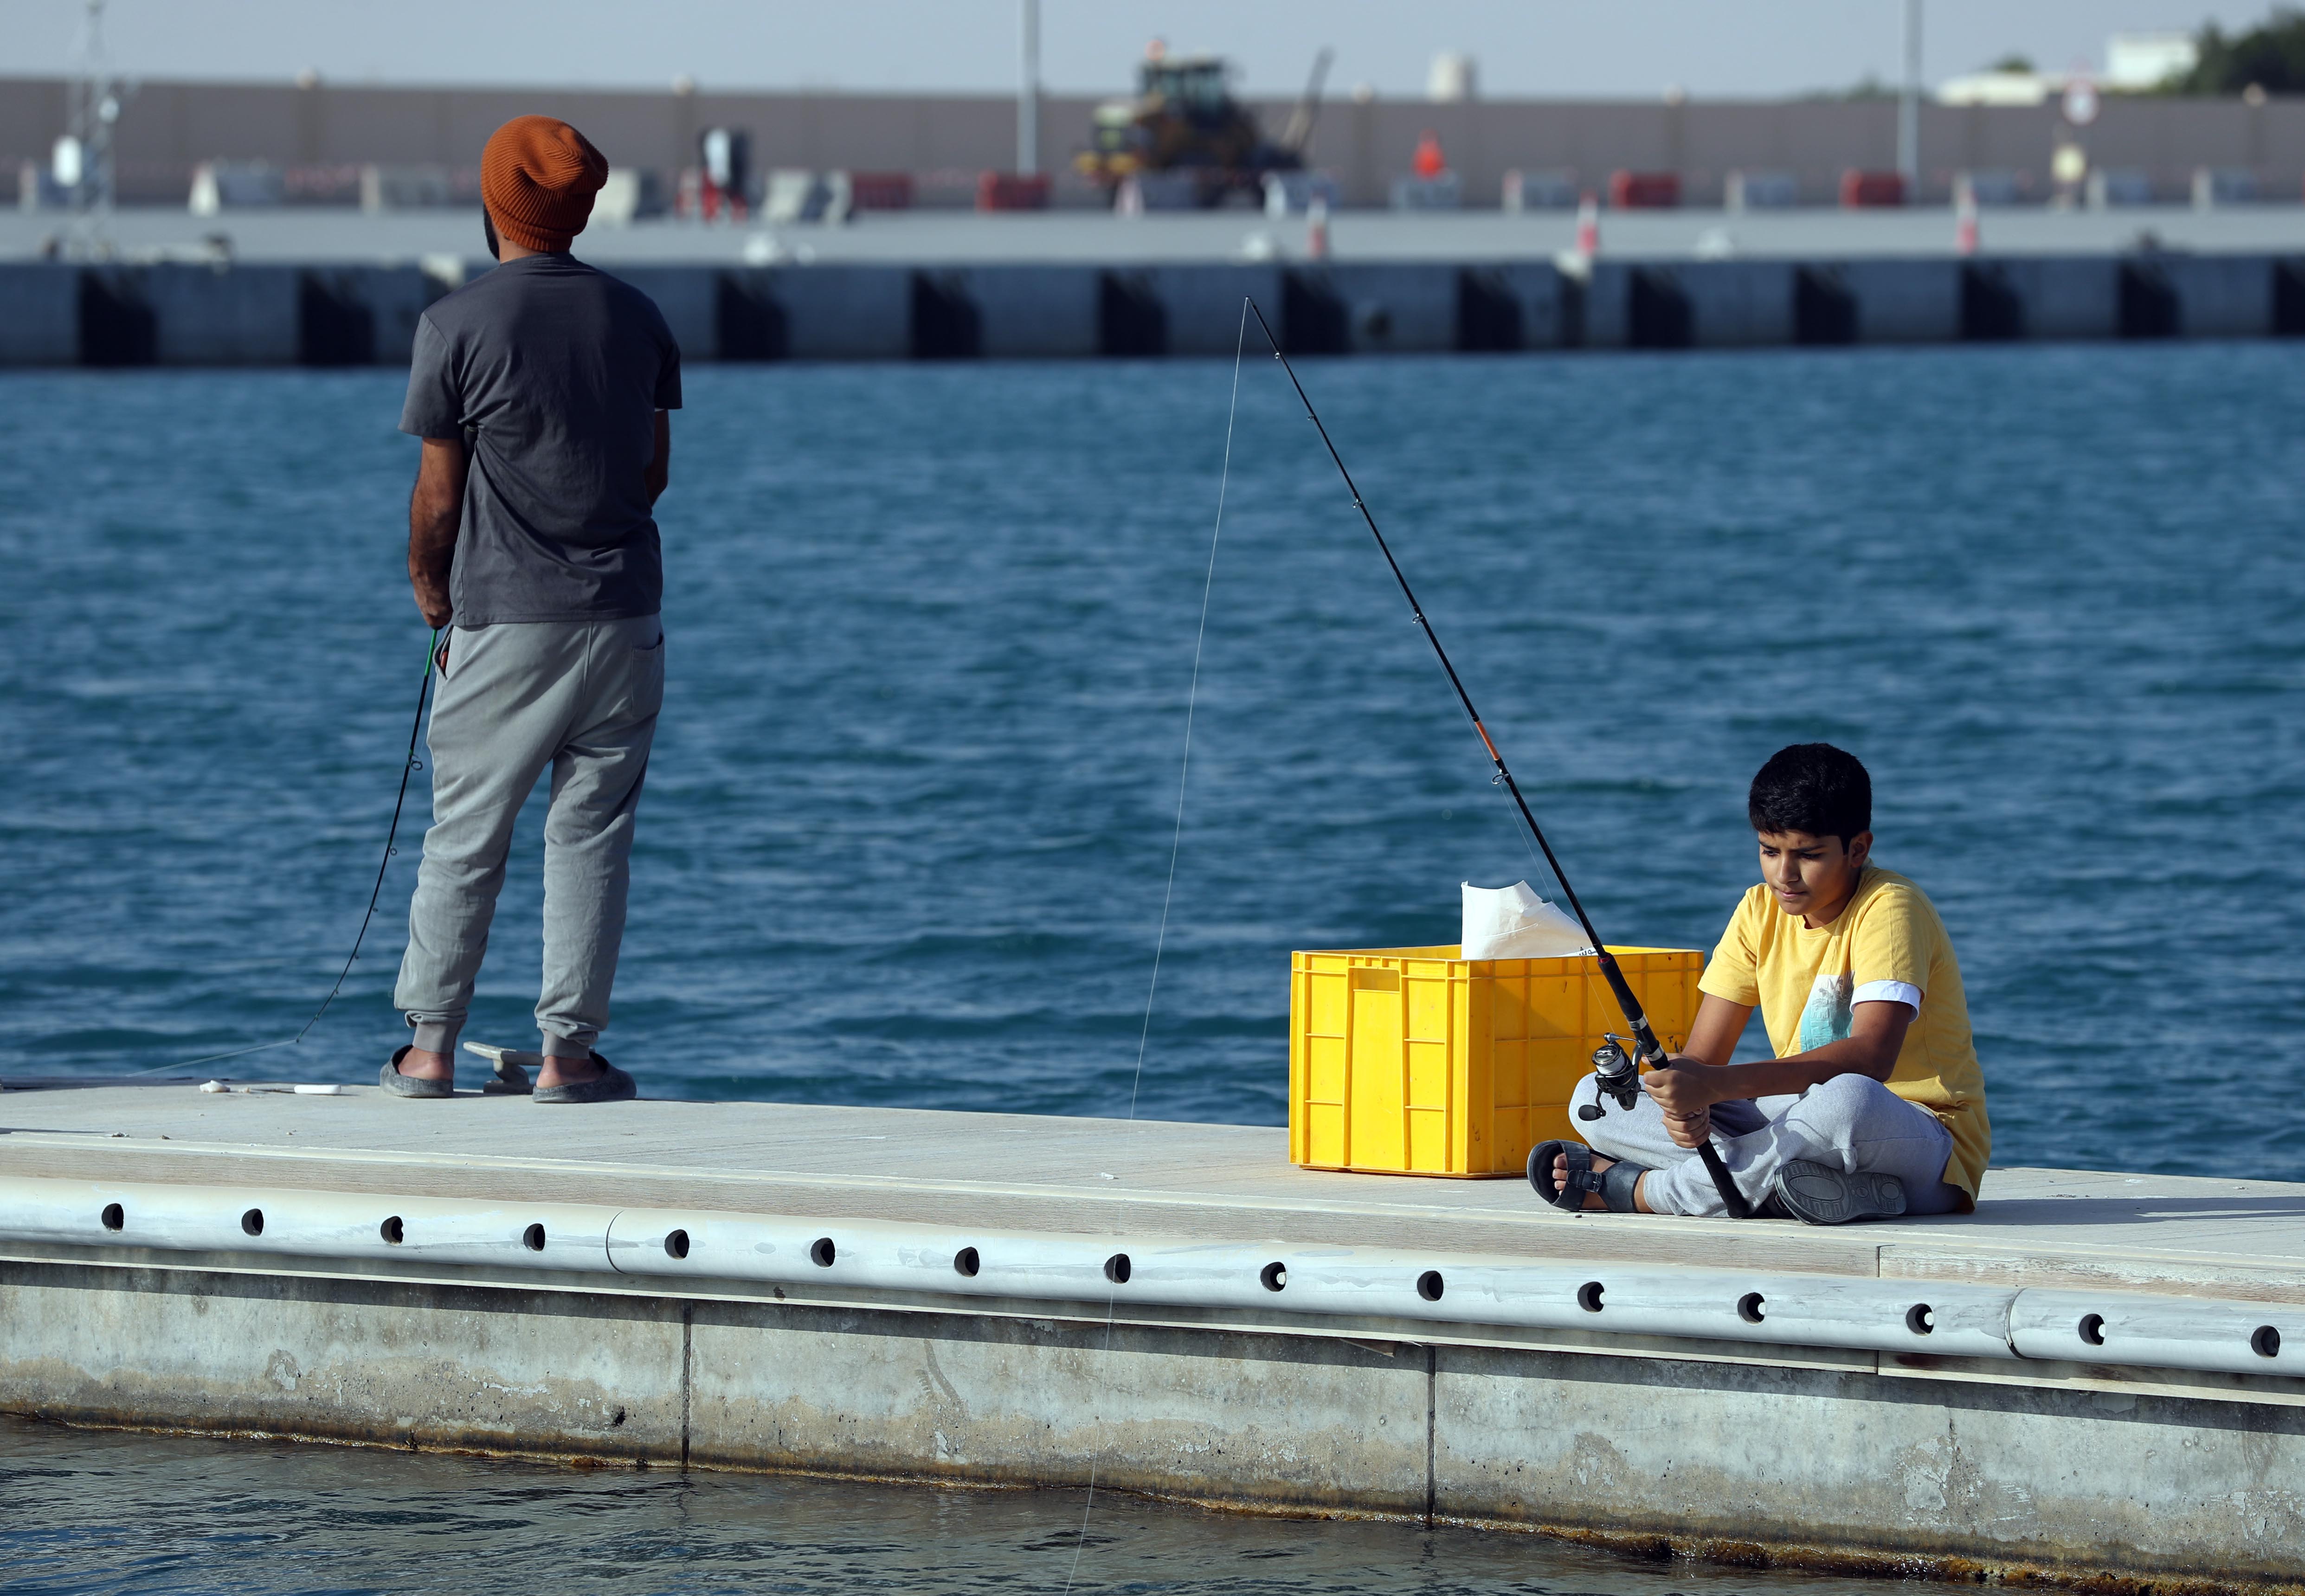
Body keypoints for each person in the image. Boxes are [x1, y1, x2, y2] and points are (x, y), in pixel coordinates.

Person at [381, 115, 681, 1105]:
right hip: (626, 618)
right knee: (593, 837)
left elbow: (438, 494)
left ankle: (428, 1050)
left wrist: (434, 590)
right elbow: (653, 472)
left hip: (503, 620)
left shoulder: (456, 326)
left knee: (466, 832)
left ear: (494, 205)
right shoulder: (640, 319)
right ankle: (568, 1057)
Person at [1530, 744, 1990, 1223]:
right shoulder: (1757, 908)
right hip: (1797, 1123)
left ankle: (1642, 1190)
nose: (1784, 874)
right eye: (1770, 851)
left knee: (1849, 1098)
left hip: (1922, 1140)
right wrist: (1683, 1100)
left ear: (1858, 849)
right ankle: (1807, 1190)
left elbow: (1872, 1057)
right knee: (1596, 1098)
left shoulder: (1891, 907)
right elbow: (1704, 1059)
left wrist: (1714, 1086)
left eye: (1807, 855)